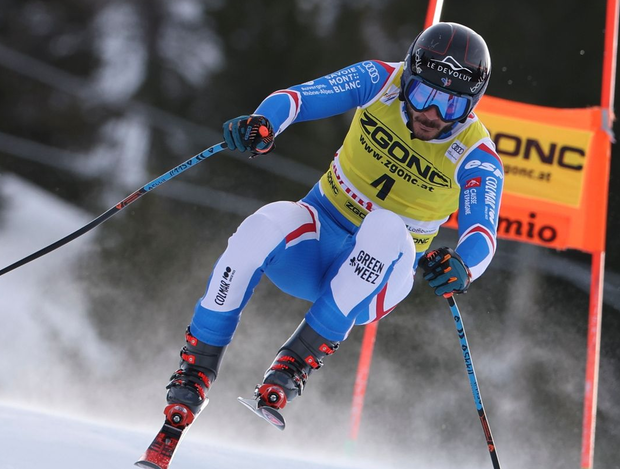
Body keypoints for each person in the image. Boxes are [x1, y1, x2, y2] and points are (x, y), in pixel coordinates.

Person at [163, 21, 504, 430]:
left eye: (450, 105)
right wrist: (264, 125)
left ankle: (295, 363)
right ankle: (196, 370)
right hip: (315, 245)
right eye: (422, 93)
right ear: (408, 78)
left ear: (472, 104)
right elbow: (297, 98)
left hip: (376, 280)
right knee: (266, 221)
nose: (431, 113)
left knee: (386, 227)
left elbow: (482, 234)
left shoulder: (476, 151)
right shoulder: (381, 81)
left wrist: (462, 265)